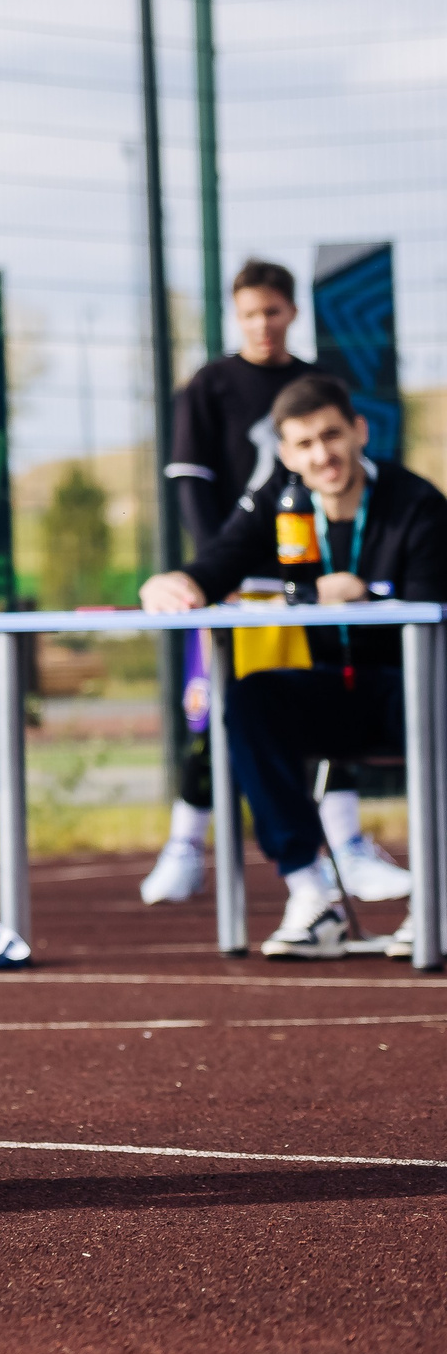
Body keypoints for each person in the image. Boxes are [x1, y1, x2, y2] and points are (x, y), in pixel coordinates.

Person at [141, 375, 445, 959]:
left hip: (414, 688)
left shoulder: (418, 504)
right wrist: (176, 581)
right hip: (334, 692)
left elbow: (431, 611)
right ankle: (312, 897)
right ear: (284, 453)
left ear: (359, 433)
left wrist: (369, 599)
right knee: (251, 702)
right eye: (303, 444)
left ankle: (437, 896)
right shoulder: (280, 500)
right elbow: (217, 563)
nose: (322, 455)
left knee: (428, 696)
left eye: (332, 436)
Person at [144, 261, 386, 905]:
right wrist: (211, 568)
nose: (262, 324)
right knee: (216, 715)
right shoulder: (210, 384)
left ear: (292, 313)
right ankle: (185, 845)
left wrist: (307, 578)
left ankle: (346, 845)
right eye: (250, 313)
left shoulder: (316, 384)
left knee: (326, 699)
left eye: (273, 312)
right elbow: (190, 483)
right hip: (231, 583)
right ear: (236, 314)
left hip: (306, 587)